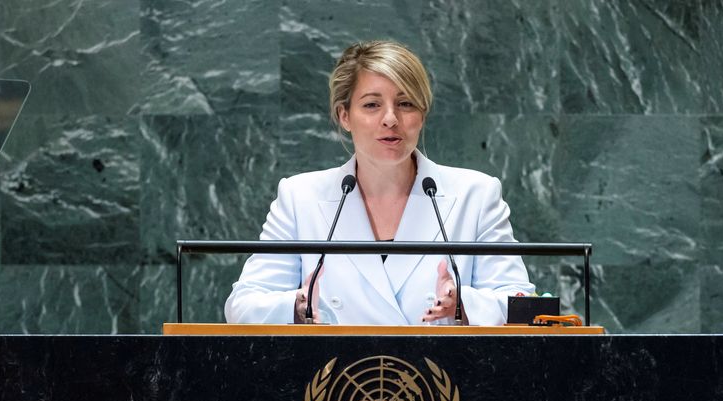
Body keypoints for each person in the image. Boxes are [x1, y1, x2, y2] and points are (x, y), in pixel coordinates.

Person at [225, 40, 534, 326]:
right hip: (337, 380)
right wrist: (297, 303)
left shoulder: (476, 195)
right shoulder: (299, 197)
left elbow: (522, 304)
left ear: (422, 115)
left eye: (406, 104)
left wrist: (464, 304)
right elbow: (242, 305)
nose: (390, 119)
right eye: (372, 105)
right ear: (344, 116)